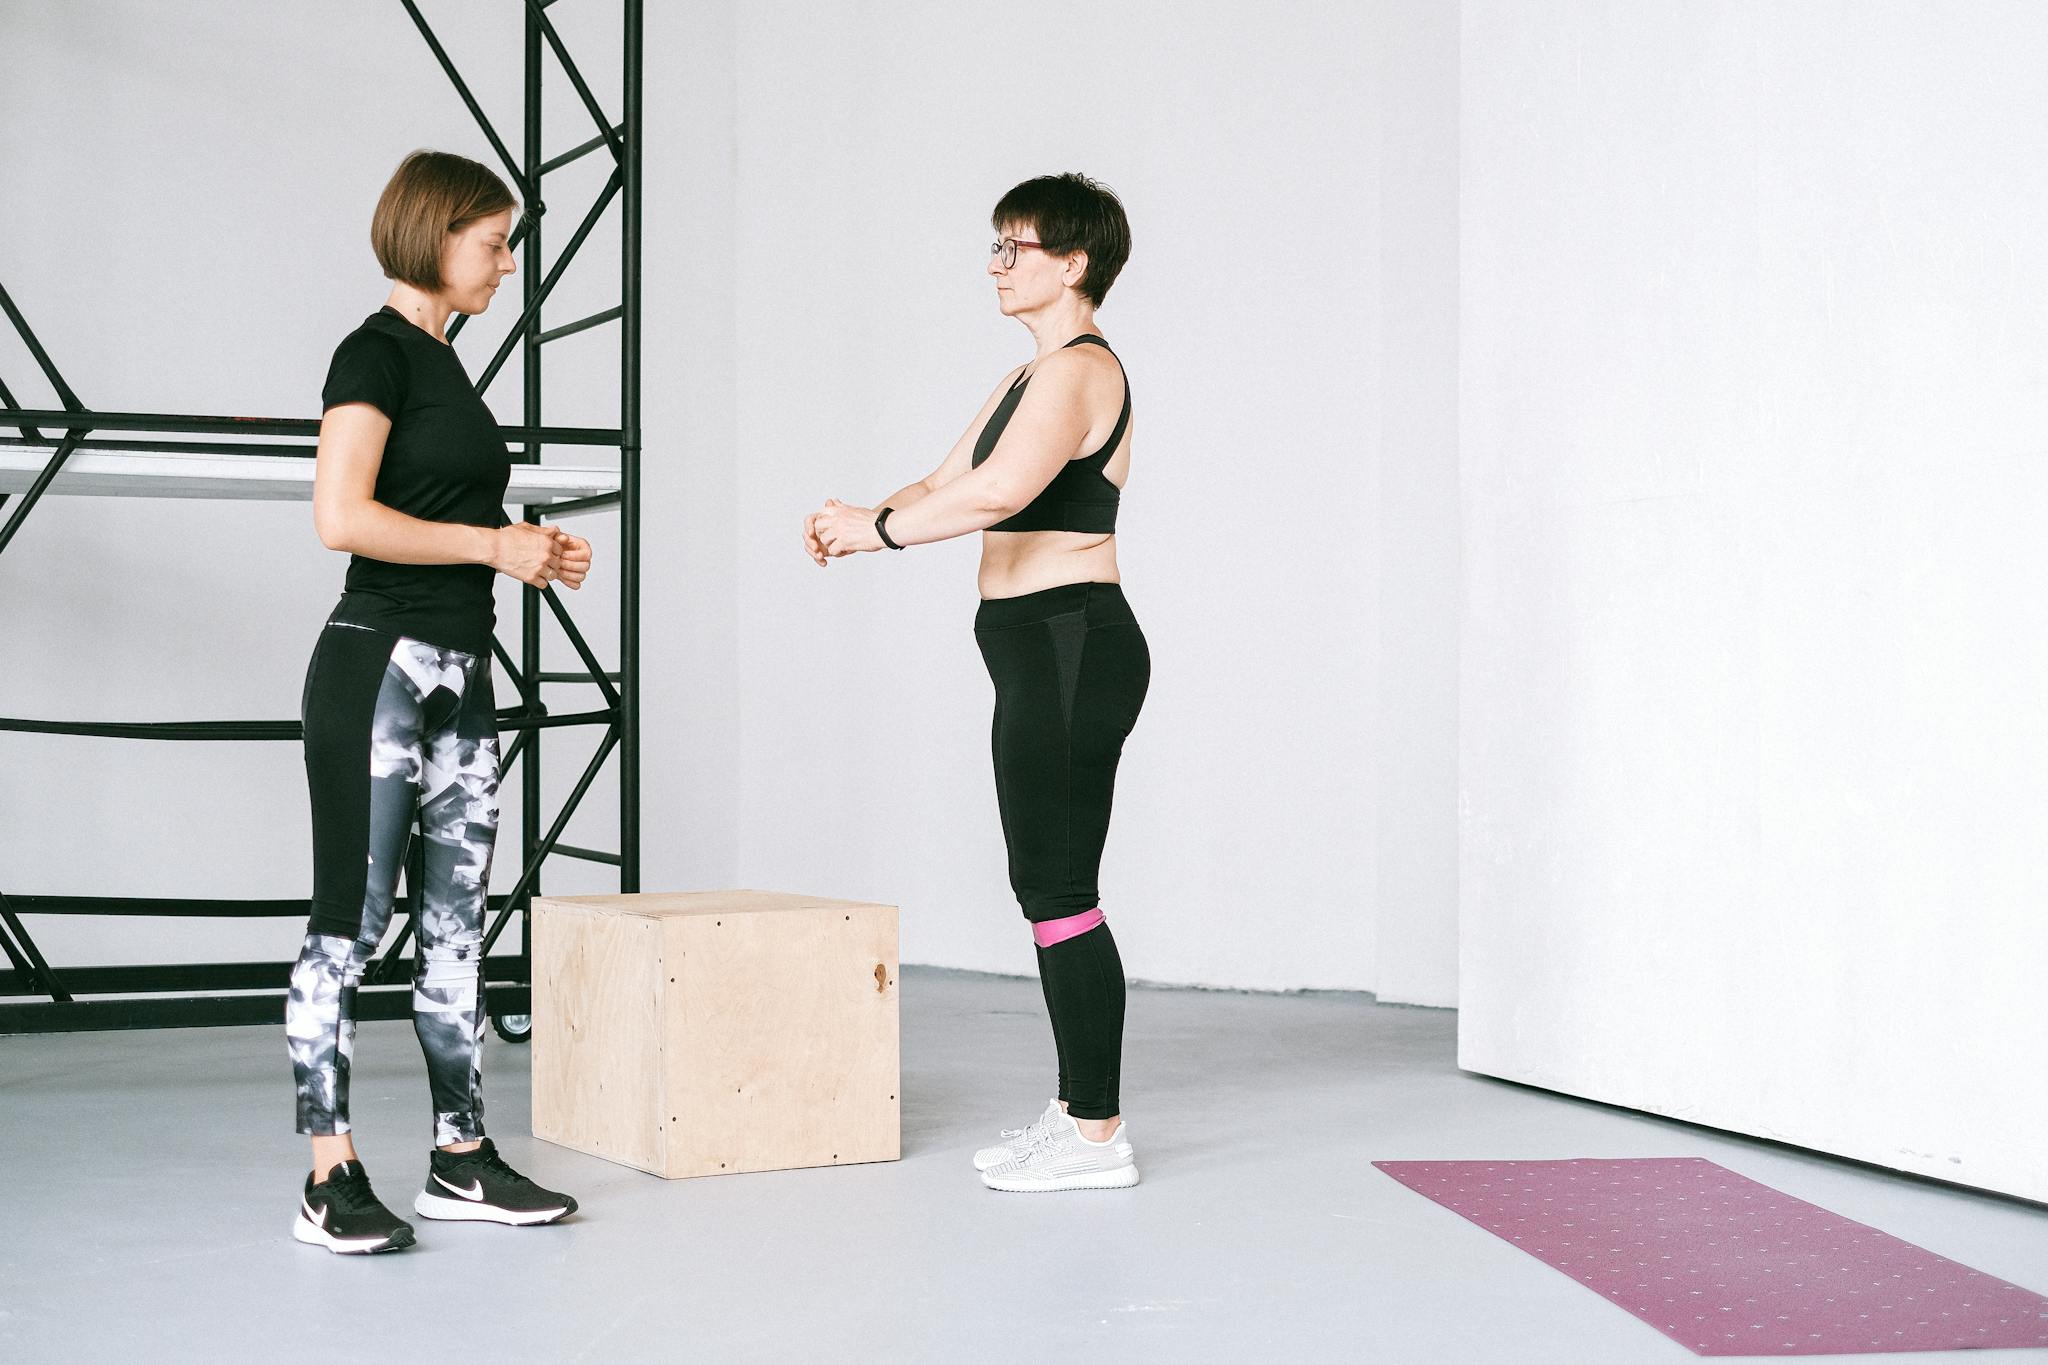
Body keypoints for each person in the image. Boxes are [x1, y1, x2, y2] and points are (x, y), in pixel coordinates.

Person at [807, 172, 1148, 1193]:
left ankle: (1097, 1138)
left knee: (1058, 890)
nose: (998, 266)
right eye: (992, 247)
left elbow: (1003, 492)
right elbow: (948, 479)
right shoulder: (1023, 379)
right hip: (1032, 646)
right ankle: (1076, 1113)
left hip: (1070, 644)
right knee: (1042, 886)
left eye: (1017, 247)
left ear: (1072, 263)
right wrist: (861, 513)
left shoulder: (1083, 372)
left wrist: (878, 537)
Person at [288, 150, 590, 1252]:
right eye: (493, 242)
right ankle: (329, 1176)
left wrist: (528, 551)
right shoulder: (373, 354)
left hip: (462, 675)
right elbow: (341, 516)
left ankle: (459, 1157)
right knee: (349, 929)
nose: (507, 264)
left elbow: (447, 516)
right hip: (378, 670)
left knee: (457, 930)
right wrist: (487, 543)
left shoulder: (445, 363)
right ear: (432, 235)